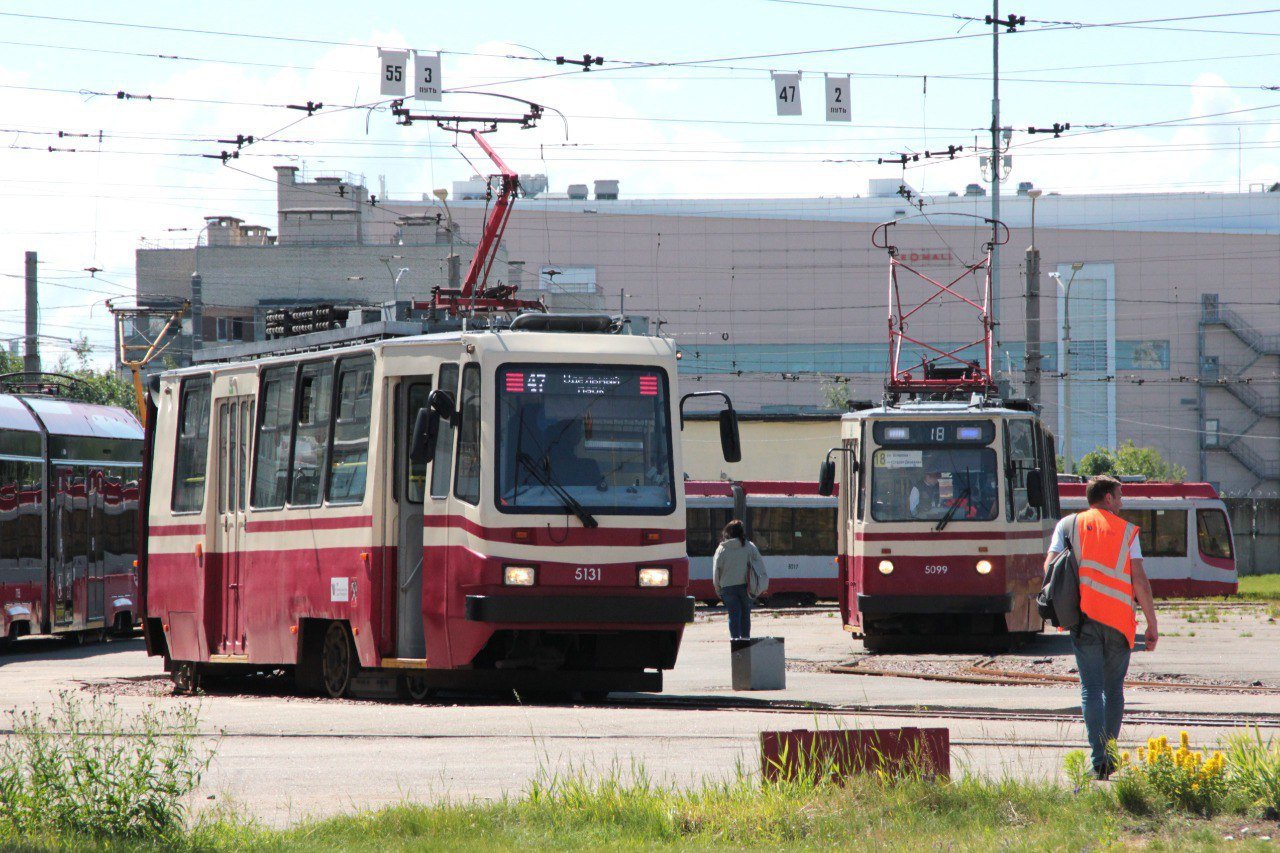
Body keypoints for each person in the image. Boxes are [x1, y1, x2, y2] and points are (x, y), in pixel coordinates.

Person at [1044, 475, 1159, 780]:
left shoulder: (1068, 525)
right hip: (1119, 623)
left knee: (1091, 690)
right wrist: (1151, 623)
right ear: (1107, 498)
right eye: (1119, 496)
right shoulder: (1127, 533)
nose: (1122, 502)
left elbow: (1050, 567)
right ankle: (1109, 754)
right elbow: (1140, 581)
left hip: (1083, 620)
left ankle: (1099, 762)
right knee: (1114, 690)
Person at [712, 519, 767, 640]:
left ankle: (735, 643)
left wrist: (718, 589)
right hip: (745, 587)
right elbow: (760, 566)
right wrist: (761, 585)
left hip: (727, 587)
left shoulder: (721, 549)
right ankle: (745, 641)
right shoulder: (749, 546)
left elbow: (716, 571)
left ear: (728, 532)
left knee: (734, 616)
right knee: (745, 616)